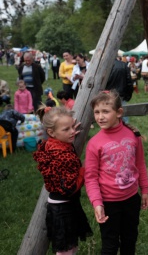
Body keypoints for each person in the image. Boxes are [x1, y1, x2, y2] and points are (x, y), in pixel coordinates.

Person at [85, 90, 148, 254]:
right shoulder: (94, 144)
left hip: (131, 200)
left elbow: (140, 164)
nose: (100, 117)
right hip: (108, 204)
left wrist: (145, 190)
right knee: (110, 245)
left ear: (119, 112)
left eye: (106, 111)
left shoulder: (133, 135)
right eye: (97, 112)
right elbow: (91, 177)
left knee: (130, 239)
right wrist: (97, 203)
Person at [33, 105, 92, 254]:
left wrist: (68, 133)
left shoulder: (54, 144)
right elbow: (70, 187)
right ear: (51, 132)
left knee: (71, 246)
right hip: (63, 207)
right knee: (66, 250)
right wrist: (84, 169)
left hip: (65, 204)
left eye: (72, 127)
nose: (72, 131)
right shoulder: (60, 155)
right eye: (66, 129)